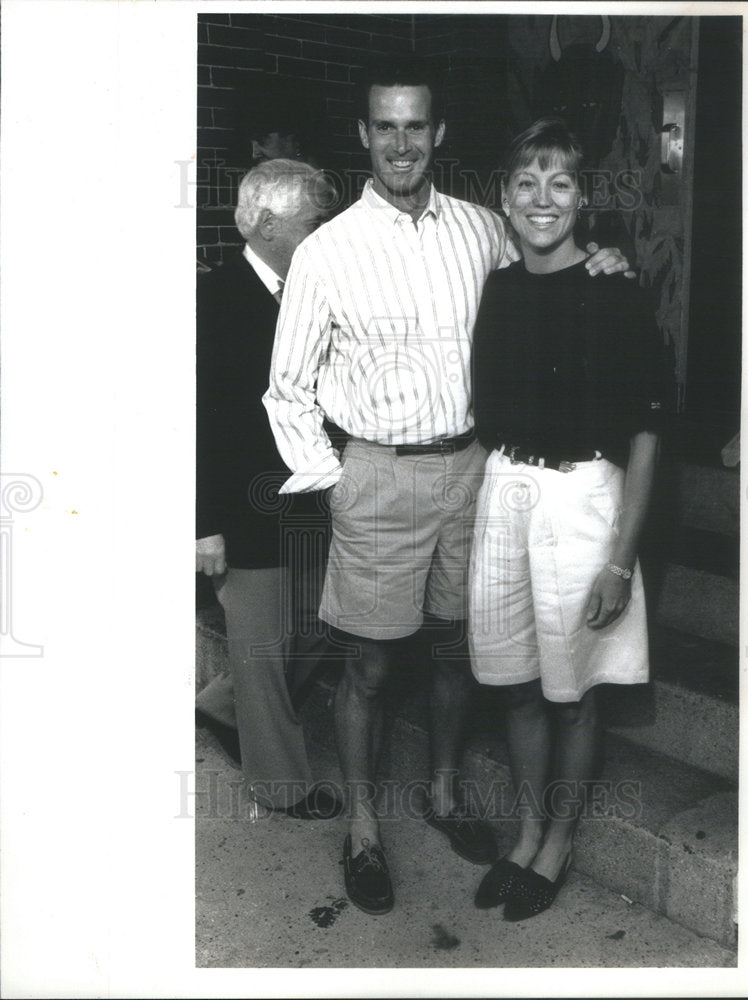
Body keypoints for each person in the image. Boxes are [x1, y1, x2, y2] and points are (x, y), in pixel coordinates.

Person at [263, 58, 632, 915]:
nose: (401, 143)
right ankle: (361, 828)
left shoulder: (479, 229)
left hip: (477, 470)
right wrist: (338, 479)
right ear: (364, 136)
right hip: (378, 476)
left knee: (457, 651)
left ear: (438, 134)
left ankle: (439, 791)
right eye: (384, 126)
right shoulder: (326, 251)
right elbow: (287, 386)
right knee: (364, 665)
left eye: (414, 126)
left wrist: (603, 257)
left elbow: (549, 260)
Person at [468, 117, 667, 920]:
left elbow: (647, 435)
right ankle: (525, 833)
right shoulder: (500, 285)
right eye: (525, 183)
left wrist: (619, 561)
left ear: (581, 199)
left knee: (573, 692)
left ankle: (558, 843)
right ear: (506, 200)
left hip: (583, 496)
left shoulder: (615, 290)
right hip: (504, 488)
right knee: (514, 684)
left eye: (558, 183)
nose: (541, 199)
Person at [196, 158, 341, 820]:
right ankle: (281, 786)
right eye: (316, 222)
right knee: (260, 650)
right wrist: (201, 524)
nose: (326, 233)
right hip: (240, 512)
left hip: (309, 503)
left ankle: (223, 705)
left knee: (317, 629)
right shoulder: (211, 299)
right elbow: (192, 423)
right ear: (265, 223)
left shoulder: (312, 292)